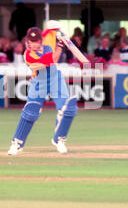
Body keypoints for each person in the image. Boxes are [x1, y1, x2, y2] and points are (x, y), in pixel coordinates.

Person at [7, 22, 77, 155]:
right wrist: (60, 46)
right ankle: (17, 144)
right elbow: (53, 59)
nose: (35, 44)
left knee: (67, 109)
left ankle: (59, 140)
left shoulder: (47, 42)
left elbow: (54, 30)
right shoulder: (28, 55)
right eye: (32, 41)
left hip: (55, 78)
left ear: (41, 39)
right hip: (39, 82)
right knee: (30, 112)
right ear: (28, 41)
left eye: (37, 40)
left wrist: (61, 33)